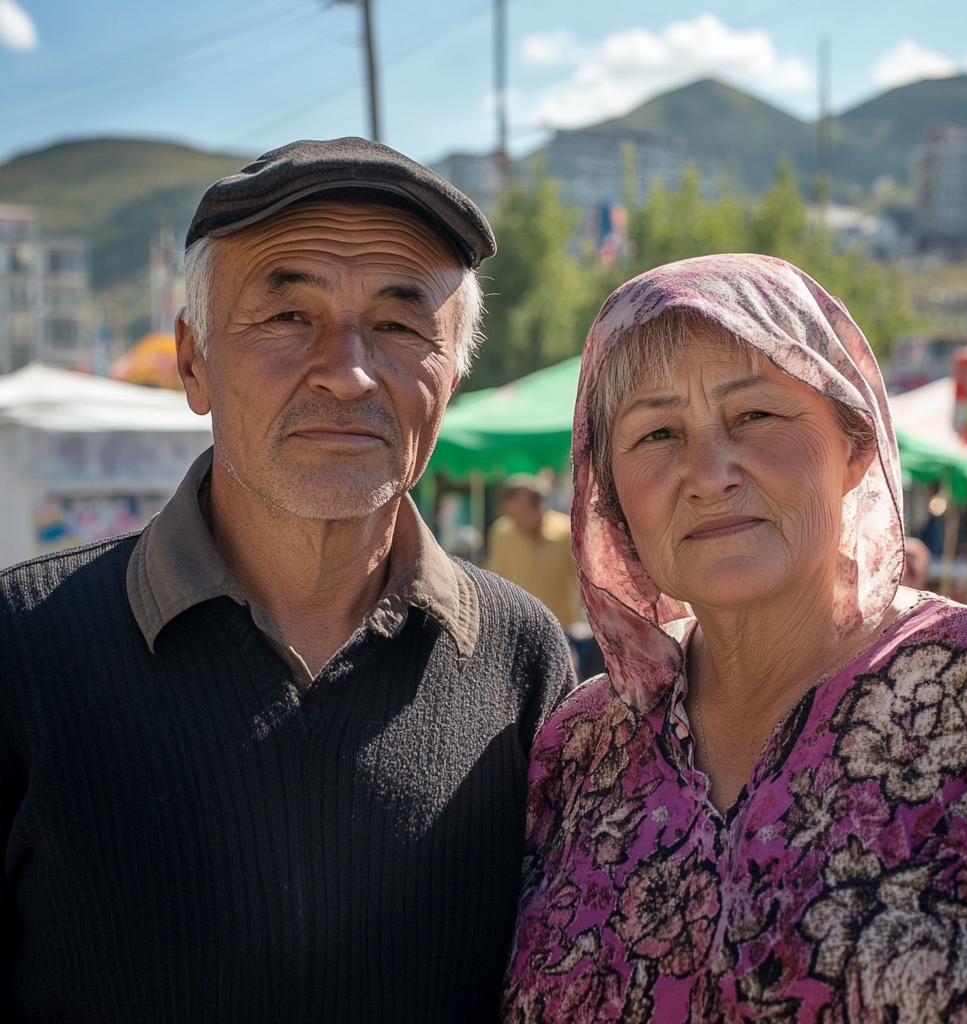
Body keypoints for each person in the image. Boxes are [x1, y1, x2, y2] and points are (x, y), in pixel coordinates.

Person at [0, 138, 573, 1023]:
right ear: (193, 360)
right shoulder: (23, 645)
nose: (347, 373)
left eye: (398, 325)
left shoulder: (522, 661)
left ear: (452, 375)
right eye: (286, 315)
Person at [503, 254, 967, 1022]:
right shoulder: (580, 748)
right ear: (608, 494)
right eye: (656, 433)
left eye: (754, 415)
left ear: (853, 443)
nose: (708, 473)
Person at [485, 474, 582, 632]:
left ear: (539, 505)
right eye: (511, 514)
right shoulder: (501, 532)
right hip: (517, 628)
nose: (516, 519)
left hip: (562, 628)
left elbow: (585, 578)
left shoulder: (566, 531)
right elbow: (494, 579)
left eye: (521, 512)